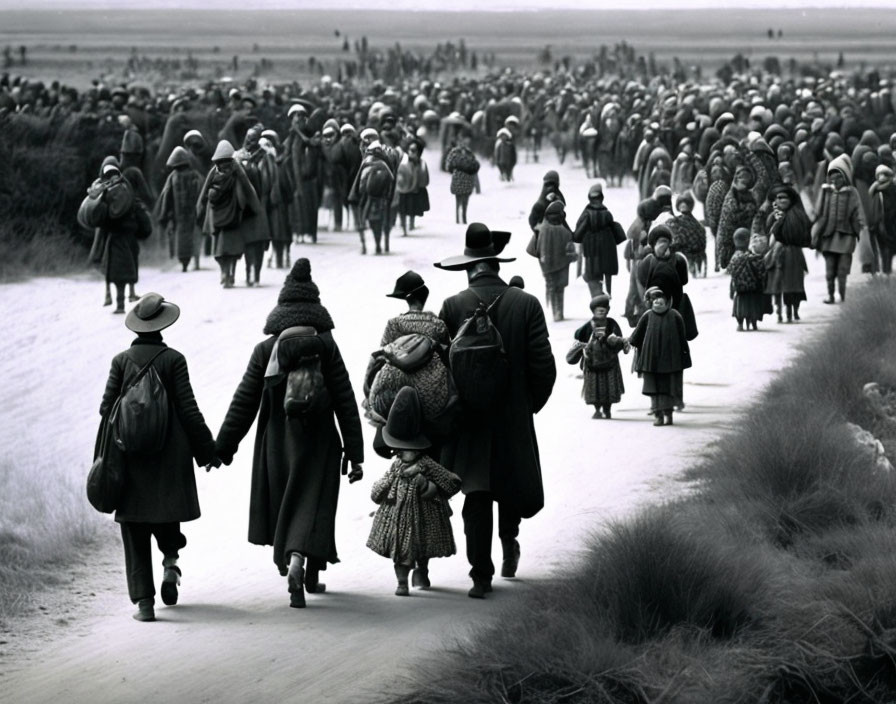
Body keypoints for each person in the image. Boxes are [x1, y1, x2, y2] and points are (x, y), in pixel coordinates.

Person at [214, 258, 364, 609]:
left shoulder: (266, 350)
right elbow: (344, 398)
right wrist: (355, 453)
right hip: (320, 439)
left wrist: (222, 448)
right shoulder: (325, 345)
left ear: (281, 306)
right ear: (314, 304)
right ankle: (304, 564)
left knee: (288, 502)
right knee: (314, 503)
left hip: (277, 444)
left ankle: (294, 562)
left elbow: (244, 402)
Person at [434, 223, 556, 598]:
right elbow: (544, 367)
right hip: (512, 416)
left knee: (477, 494)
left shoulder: (453, 306)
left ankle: (480, 576)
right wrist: (525, 406)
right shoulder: (527, 304)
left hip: (470, 420)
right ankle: (509, 546)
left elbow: (441, 371)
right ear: (496, 263)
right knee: (510, 485)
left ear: (469, 266)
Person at [96, 293, 218, 622]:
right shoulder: (174, 360)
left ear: (137, 327)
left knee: (134, 529)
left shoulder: (121, 361)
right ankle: (170, 563)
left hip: (130, 457)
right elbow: (189, 411)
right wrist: (207, 450)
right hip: (170, 455)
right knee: (166, 516)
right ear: (163, 324)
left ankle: (145, 605)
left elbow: (106, 409)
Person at [366, 386, 462, 596]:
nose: (402, 452)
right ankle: (402, 582)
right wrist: (387, 483)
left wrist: (429, 486)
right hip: (399, 518)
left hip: (425, 516)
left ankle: (422, 570)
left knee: (423, 546)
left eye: (407, 448)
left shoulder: (427, 464)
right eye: (399, 449)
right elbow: (375, 493)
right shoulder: (395, 467)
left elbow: (453, 482)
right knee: (401, 550)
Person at [196, 139, 262, 288]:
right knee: (229, 251)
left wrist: (200, 207)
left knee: (225, 251)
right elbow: (248, 188)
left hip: (225, 217)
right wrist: (256, 207)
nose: (224, 165)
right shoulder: (232, 169)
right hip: (228, 217)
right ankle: (227, 273)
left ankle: (227, 273)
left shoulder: (224, 170)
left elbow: (204, 193)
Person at [628, 287, 691, 427]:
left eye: (660, 299)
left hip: (665, 359)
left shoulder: (673, 315)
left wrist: (684, 355)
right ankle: (661, 415)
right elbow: (636, 336)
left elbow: (682, 338)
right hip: (657, 359)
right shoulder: (649, 315)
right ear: (651, 302)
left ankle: (665, 415)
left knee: (664, 387)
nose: (658, 302)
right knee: (659, 387)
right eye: (655, 299)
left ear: (667, 301)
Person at [95, 162, 153, 313]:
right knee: (122, 272)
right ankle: (121, 301)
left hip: (120, 237)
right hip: (123, 237)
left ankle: (120, 305)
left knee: (119, 274)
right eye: (109, 177)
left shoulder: (118, 192)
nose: (112, 179)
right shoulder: (124, 191)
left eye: (113, 176)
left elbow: (113, 213)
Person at [813, 154, 864, 303]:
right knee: (829, 271)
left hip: (846, 236)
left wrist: (861, 228)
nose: (835, 181)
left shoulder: (852, 193)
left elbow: (858, 212)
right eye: (832, 178)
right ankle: (830, 295)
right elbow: (818, 212)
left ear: (846, 177)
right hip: (828, 237)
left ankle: (842, 296)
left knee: (842, 270)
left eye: (839, 177)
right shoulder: (826, 191)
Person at [570, 294, 630, 419]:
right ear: (593, 311)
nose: (601, 311)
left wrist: (613, 340)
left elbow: (619, 338)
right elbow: (577, 335)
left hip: (610, 361)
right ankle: (597, 409)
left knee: (610, 387)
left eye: (604, 308)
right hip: (592, 362)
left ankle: (607, 410)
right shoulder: (588, 325)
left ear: (608, 310)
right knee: (594, 387)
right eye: (598, 309)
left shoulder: (612, 323)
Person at [764, 184, 811, 322]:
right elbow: (769, 234)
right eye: (777, 198)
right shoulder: (773, 216)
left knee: (794, 285)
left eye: (783, 198)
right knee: (778, 284)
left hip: (793, 253)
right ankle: (779, 311)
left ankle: (793, 311)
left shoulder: (797, 215)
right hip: (778, 254)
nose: (779, 201)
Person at [572, 182, 625, 297]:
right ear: (601, 198)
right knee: (607, 272)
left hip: (592, 248)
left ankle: (597, 295)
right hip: (607, 246)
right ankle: (608, 294)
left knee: (593, 273)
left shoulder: (586, 213)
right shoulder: (607, 213)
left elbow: (577, 234)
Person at [526, 200, 575, 321]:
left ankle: (555, 312)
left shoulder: (543, 228)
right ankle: (559, 312)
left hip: (546, 265)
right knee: (560, 288)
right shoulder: (564, 230)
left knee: (552, 287)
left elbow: (537, 249)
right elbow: (571, 246)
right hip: (562, 264)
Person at [156, 146, 203, 272]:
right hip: (194, 213)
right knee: (195, 235)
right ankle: (195, 261)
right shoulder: (195, 175)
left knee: (182, 237)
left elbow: (166, 196)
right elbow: (202, 192)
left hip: (179, 215)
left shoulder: (173, 177)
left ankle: (184, 263)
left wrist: (164, 215)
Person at [716, 164, 758, 270]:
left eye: (746, 182)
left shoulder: (749, 194)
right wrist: (747, 211)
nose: (744, 184)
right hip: (730, 232)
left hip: (744, 230)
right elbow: (730, 213)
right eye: (742, 181)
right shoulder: (732, 195)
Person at [728, 228, 767, 331]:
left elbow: (732, 274)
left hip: (739, 290)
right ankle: (753, 324)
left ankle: (740, 324)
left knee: (739, 309)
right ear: (747, 241)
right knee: (752, 306)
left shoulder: (734, 258)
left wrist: (731, 289)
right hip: (752, 289)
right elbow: (760, 270)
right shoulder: (752, 257)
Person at [395, 138, 430, 236]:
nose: (411, 152)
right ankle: (404, 229)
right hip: (404, 189)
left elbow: (425, 179)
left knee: (412, 208)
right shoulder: (403, 162)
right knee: (402, 210)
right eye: (410, 150)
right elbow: (399, 177)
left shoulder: (422, 163)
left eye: (414, 150)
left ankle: (411, 224)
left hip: (416, 190)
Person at [445, 134, 479, 225]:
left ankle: (464, 217)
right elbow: (448, 166)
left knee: (465, 200)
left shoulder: (469, 153)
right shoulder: (454, 152)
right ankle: (458, 218)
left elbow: (475, 165)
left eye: (464, 142)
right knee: (458, 200)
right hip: (458, 178)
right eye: (460, 142)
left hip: (467, 179)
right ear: (457, 142)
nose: (462, 144)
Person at [870, 164, 896, 275]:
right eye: (880, 175)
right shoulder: (878, 189)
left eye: (884, 174)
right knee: (887, 248)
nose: (882, 177)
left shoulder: (875, 189)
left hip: (885, 222)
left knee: (886, 247)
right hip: (885, 222)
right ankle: (886, 270)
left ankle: (886, 270)